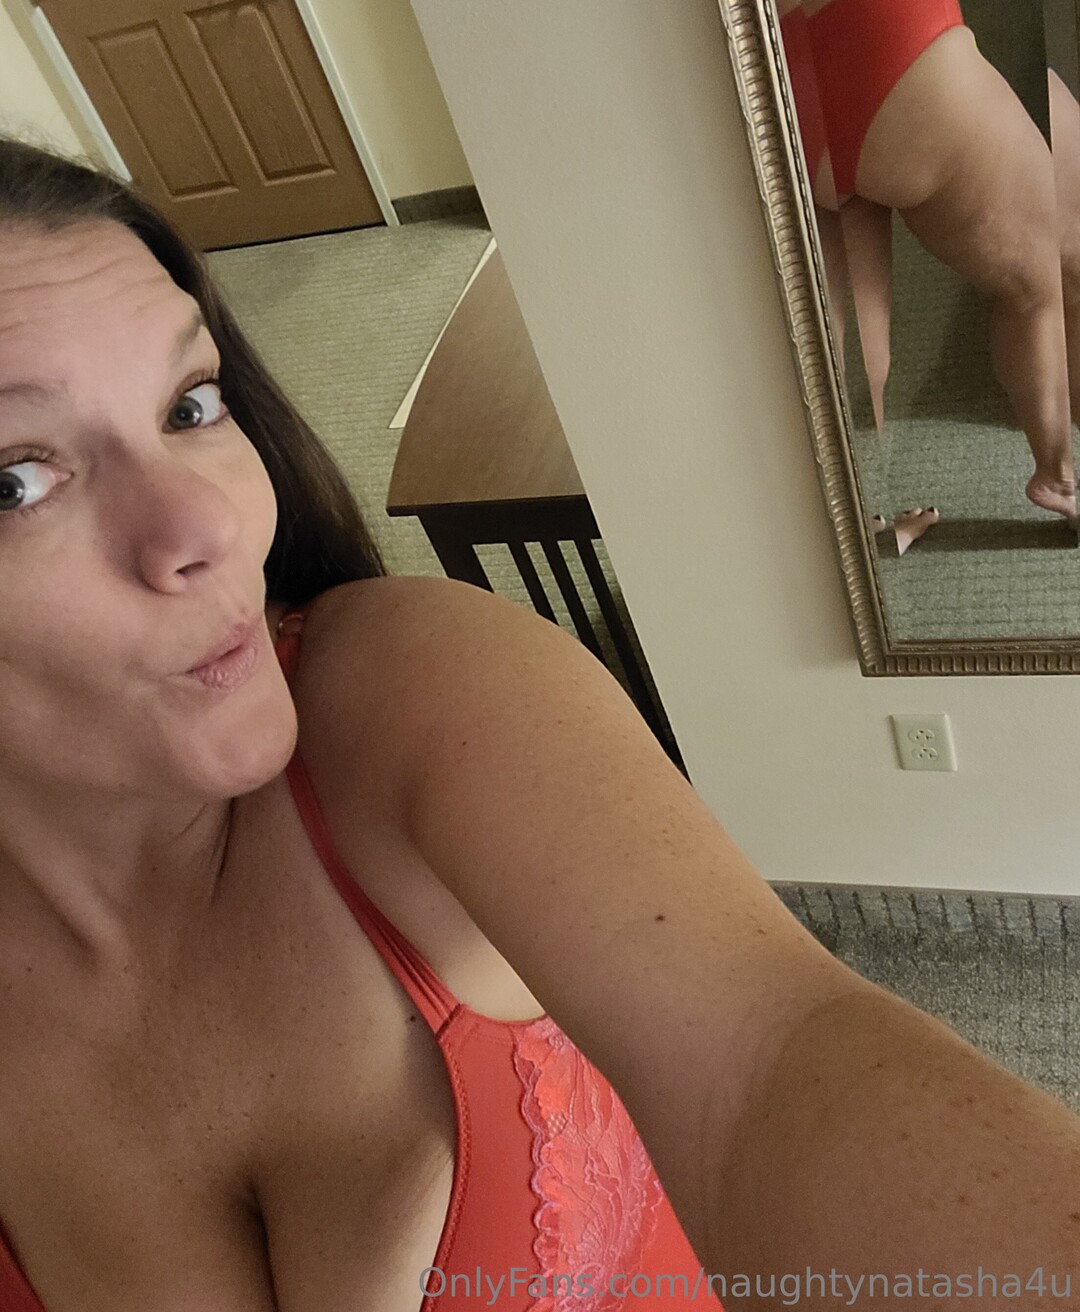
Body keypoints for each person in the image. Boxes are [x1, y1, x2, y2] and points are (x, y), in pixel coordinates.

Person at [0, 137, 1075, 1312]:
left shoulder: (409, 693)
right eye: (16, 481)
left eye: (190, 405)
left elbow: (771, 1063)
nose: (206, 525)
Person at [757, 0, 1077, 537]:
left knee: (837, 330)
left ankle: (858, 519)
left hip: (763, 48)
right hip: (884, 20)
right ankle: (1057, 477)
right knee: (1035, 284)